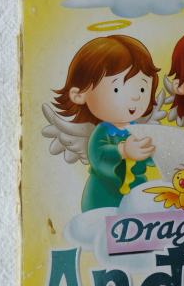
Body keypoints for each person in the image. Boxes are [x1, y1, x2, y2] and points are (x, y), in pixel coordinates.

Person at [53, 35, 159, 211]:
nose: (135, 96)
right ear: (79, 95)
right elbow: (99, 157)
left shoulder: (139, 131)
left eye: (142, 88)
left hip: (136, 195)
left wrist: (155, 152)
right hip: (104, 197)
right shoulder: (101, 133)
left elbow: (150, 159)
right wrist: (123, 150)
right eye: (116, 89)